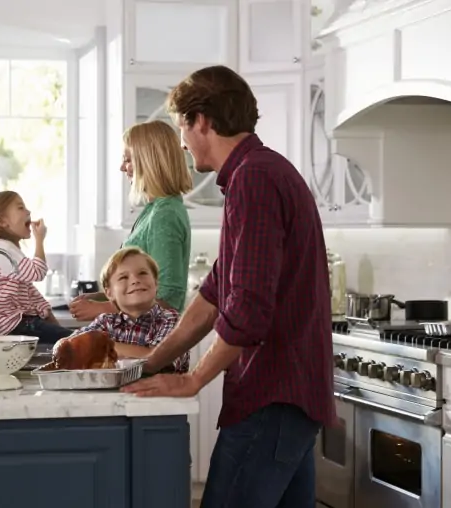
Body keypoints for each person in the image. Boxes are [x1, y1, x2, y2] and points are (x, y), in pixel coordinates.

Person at [121, 65, 336, 508]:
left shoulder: (254, 179)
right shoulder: (257, 173)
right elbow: (215, 293)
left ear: (203, 121)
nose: (181, 140)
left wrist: (194, 380)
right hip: (291, 396)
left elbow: (248, 308)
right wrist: (153, 364)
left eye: (182, 125)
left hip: (272, 395)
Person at [69, 120, 193, 321]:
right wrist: (101, 296)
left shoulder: (165, 215)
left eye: (128, 159)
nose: (122, 167)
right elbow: (145, 287)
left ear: (149, 162)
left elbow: (167, 296)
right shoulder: (155, 209)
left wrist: (103, 309)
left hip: (151, 342)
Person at [0, 190, 71, 344]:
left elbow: (31, 292)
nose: (28, 211)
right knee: (77, 339)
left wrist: (53, 322)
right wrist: (40, 240)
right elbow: (38, 272)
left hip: (15, 323)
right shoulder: (3, 250)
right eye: (20, 208)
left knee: (75, 339)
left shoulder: (9, 251)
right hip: (10, 325)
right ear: (2, 221)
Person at [72, 247, 189, 372]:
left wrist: (102, 346)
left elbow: (160, 358)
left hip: (159, 391)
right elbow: (74, 345)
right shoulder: (106, 321)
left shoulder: (171, 319)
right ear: (109, 293)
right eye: (123, 277)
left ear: (156, 283)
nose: (135, 280)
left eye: (142, 273)